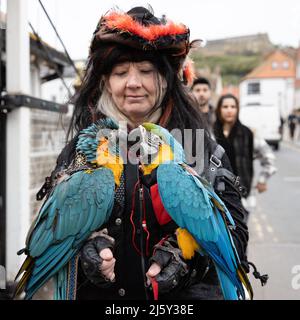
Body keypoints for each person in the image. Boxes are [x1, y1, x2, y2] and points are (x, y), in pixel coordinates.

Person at [18, 7, 253, 300]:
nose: (133, 83)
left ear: (166, 80)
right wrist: (86, 253)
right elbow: (58, 231)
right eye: (120, 73)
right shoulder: (85, 148)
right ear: (105, 81)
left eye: (145, 71)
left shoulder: (200, 146)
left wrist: (188, 261)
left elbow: (236, 238)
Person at [213, 94, 254, 200]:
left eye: (233, 107)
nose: (229, 110)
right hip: (216, 189)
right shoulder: (211, 132)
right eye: (225, 107)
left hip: (239, 189)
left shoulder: (246, 133)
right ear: (219, 109)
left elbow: (249, 162)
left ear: (237, 109)